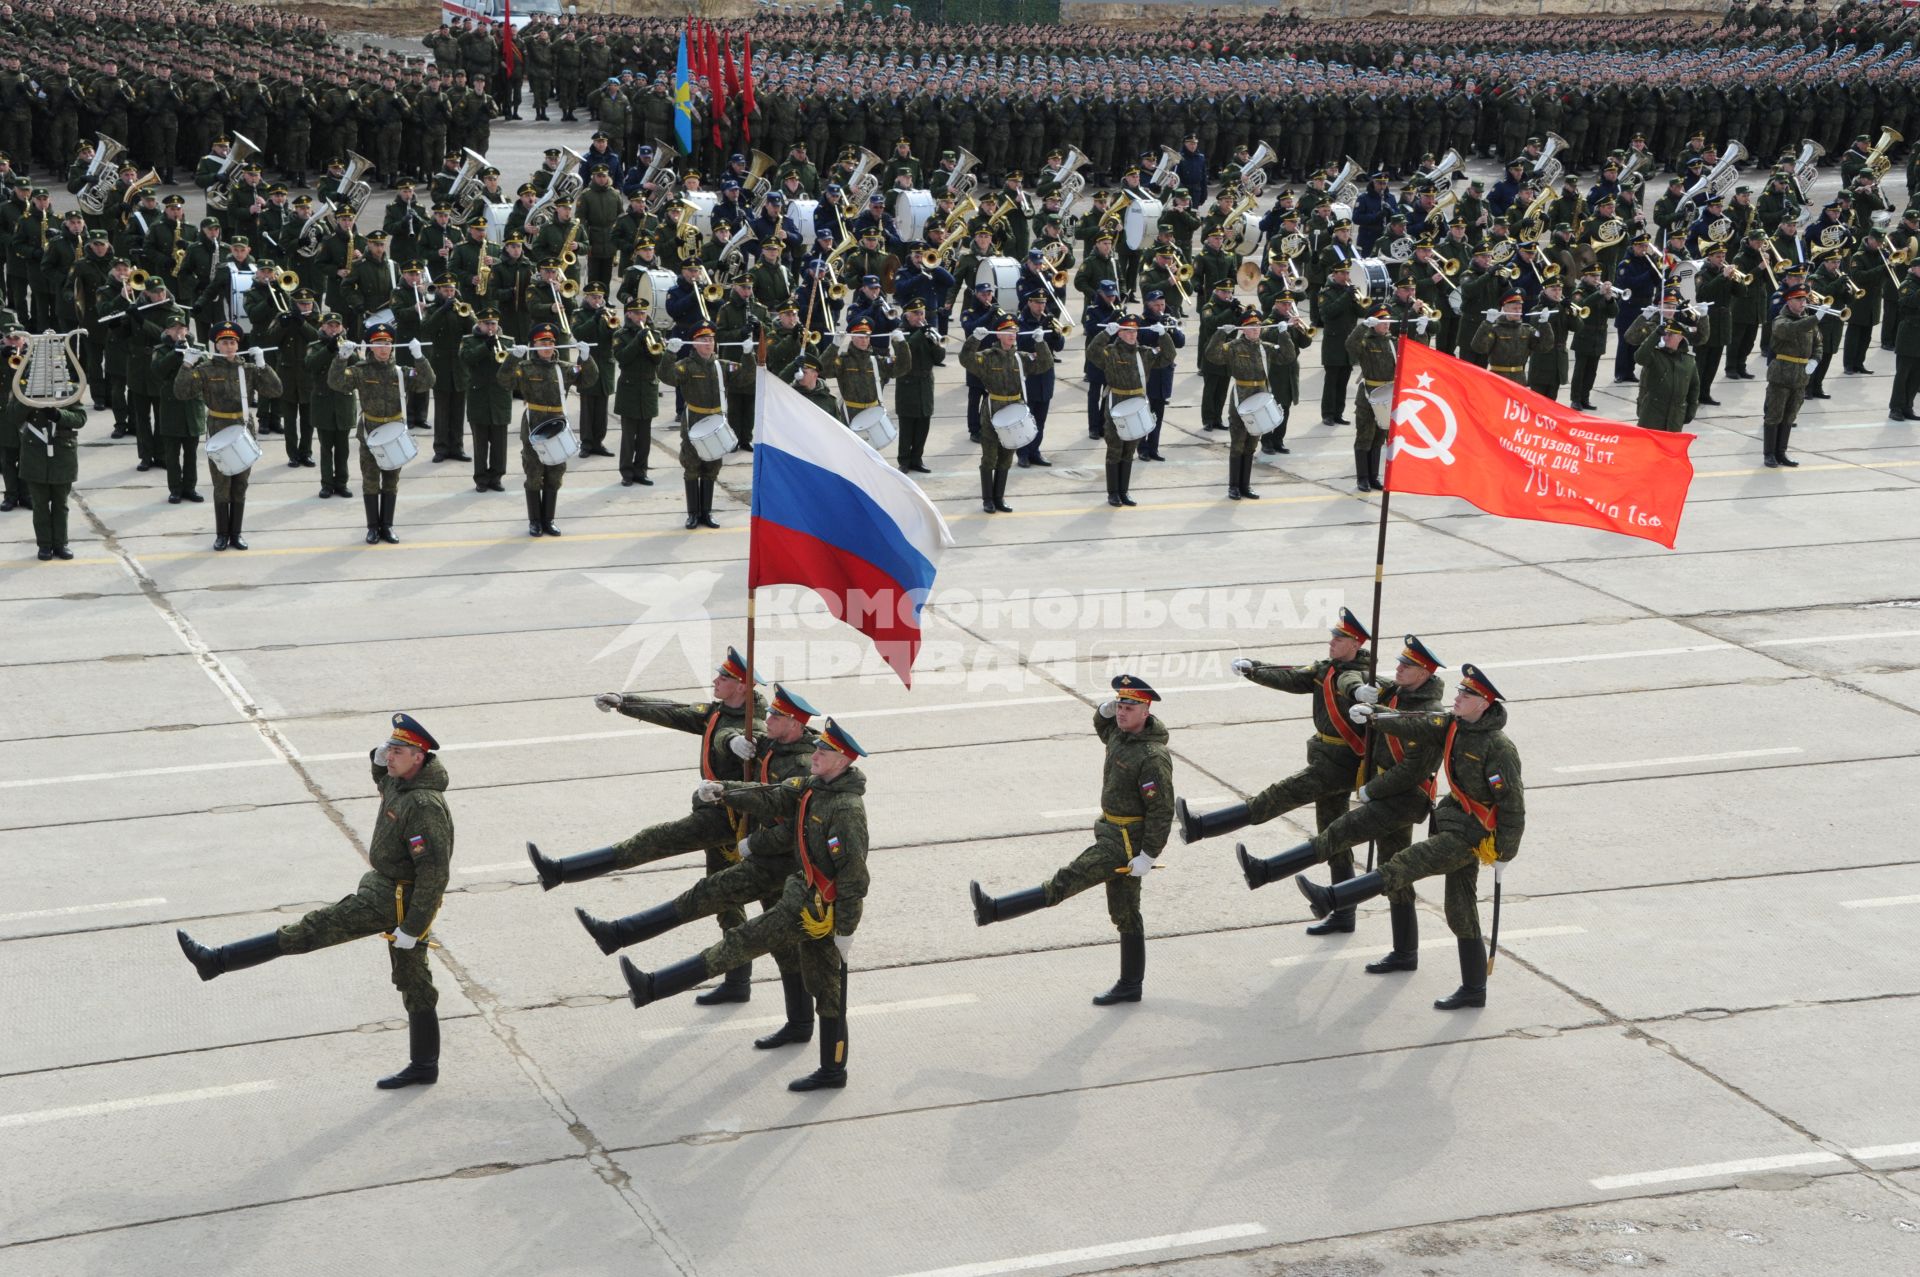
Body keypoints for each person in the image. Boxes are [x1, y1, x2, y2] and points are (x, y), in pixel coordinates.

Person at [178, 714, 455, 1088]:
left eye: (398, 751)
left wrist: (413, 927)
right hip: (385, 888)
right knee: (414, 981)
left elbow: (434, 875)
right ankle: (425, 1065)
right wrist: (378, 759)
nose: (389, 757)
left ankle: (216, 961)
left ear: (419, 758)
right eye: (389, 749)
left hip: (395, 901)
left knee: (309, 930)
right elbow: (383, 780)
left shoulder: (423, 805)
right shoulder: (400, 782)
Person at [546, 684, 824, 1050]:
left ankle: (799, 1023)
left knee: (772, 939)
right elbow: (720, 731)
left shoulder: (801, 764)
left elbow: (786, 813)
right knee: (714, 899)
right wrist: (725, 766)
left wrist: (749, 832)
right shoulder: (775, 745)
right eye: (770, 712)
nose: (769, 718)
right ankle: (622, 940)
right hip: (759, 855)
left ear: (793, 724)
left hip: (781, 865)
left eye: (776, 716)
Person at [616, 716, 871, 1094]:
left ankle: (652, 987)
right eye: (817, 748)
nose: (816, 754)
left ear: (842, 761)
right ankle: (831, 1068)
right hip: (802, 894)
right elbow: (772, 796)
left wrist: (847, 928)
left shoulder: (846, 810)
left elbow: (854, 876)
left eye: (824, 751)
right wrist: (724, 791)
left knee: (742, 941)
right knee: (826, 986)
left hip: (816, 907)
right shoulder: (814, 788)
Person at [536, 647, 769, 1005]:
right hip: (719, 818)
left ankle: (562, 872)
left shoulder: (753, 724)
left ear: (741, 685)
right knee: (725, 900)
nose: (714, 680)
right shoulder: (720, 711)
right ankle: (738, 980)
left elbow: (743, 741)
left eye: (722, 677)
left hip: (726, 821)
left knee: (652, 841)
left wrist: (734, 742)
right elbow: (674, 711)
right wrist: (624, 702)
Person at [1299, 663, 1525, 1010]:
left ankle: (1332, 898)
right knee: (1459, 909)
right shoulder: (1452, 724)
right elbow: (1414, 722)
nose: (1458, 697)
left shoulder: (1498, 747)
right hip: (1453, 823)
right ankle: (1474, 989)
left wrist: (1505, 852)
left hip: (1473, 835)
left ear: (1485, 703)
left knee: (1404, 863)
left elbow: (1512, 804)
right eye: (1460, 691)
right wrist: (1374, 715)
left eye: (1467, 694)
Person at [1238, 635, 1448, 974]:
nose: (1398, 667)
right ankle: (1405, 952)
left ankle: (1267, 872)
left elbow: (1413, 769)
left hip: (1403, 798)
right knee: (1396, 872)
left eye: (1406, 665)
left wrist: (1372, 790)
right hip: (1386, 792)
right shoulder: (1394, 690)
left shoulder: (1429, 714)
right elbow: (1352, 676)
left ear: (1423, 673)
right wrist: (1358, 691)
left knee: (1340, 831)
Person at [970, 675, 1175, 1006]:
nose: (1120, 713)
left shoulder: (1152, 756)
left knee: (1066, 880)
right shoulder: (1121, 737)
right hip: (1110, 831)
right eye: (1118, 706)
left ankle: (993, 910)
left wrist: (1149, 855)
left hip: (1123, 844)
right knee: (1125, 913)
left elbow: (1162, 811)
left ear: (1145, 710)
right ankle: (1131, 985)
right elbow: (1101, 726)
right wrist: (1103, 710)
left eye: (1127, 708)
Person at [1178, 609, 1373, 933]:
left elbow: (1353, 686)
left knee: (1275, 797)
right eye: (1333, 636)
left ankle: (1201, 827)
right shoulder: (1328, 669)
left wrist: (1359, 694)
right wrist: (1254, 669)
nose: (1332, 642)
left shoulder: (1359, 676)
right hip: (1326, 762)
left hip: (1337, 766)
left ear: (1354, 644)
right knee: (1334, 837)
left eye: (1339, 638)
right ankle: (1344, 913)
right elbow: (1293, 677)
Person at [174, 322, 282, 551]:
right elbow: (182, 393)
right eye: (224, 342)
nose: (229, 346)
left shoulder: (248, 369)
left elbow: (275, 390)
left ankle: (236, 534)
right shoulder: (206, 369)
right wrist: (186, 365)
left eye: (232, 342)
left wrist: (263, 365)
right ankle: (221, 534)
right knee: (221, 484)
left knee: (240, 484)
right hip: (219, 427)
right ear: (217, 345)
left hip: (243, 428)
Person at [326, 324, 436, 543]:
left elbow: (428, 382)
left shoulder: (401, 372)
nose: (383, 349)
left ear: (393, 346)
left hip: (394, 432)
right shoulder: (361, 370)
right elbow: (335, 382)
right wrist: (340, 358)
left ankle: (387, 526)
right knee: (370, 480)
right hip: (370, 431)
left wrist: (419, 357)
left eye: (387, 344)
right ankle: (372, 527)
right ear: (370, 347)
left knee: (391, 480)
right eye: (378, 344)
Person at [499, 322, 599, 538]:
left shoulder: (563, 367)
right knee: (534, 473)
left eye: (551, 342)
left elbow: (589, 380)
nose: (547, 346)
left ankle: (549, 519)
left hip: (557, 424)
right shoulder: (525, 368)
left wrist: (586, 358)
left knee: (555, 474)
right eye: (542, 343)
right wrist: (513, 358)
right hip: (534, 423)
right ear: (533, 344)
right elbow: (504, 381)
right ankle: (534, 521)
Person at [1085, 315, 1176, 508]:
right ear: (1119, 332)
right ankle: (1113, 493)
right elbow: (1092, 353)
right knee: (1115, 448)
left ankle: (1124, 491)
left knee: (1129, 449)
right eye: (1127, 331)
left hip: (1136, 403)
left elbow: (1168, 357)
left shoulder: (1143, 353)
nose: (1131, 335)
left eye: (1134, 331)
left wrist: (1164, 336)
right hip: (1116, 402)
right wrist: (1104, 334)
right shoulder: (1111, 352)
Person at [1764, 281, 1819, 467]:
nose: (1803, 303)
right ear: (1789, 301)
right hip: (1781, 374)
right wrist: (1815, 318)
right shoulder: (1780, 320)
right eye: (1798, 299)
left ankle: (1781, 453)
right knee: (1774, 415)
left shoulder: (1808, 319)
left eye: (1804, 299)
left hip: (1800, 375)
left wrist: (1815, 360)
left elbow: (1818, 343)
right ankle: (1769, 453)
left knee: (1790, 416)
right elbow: (1791, 330)